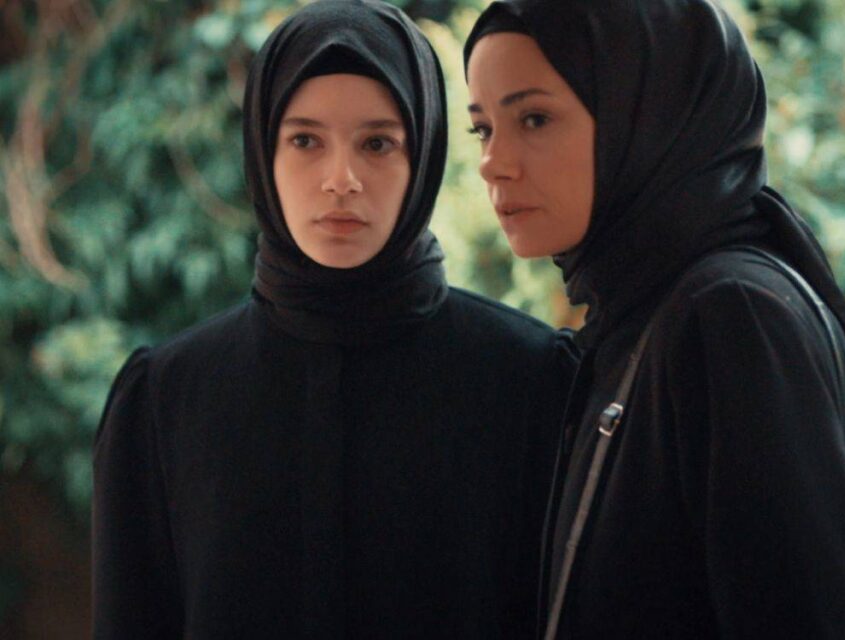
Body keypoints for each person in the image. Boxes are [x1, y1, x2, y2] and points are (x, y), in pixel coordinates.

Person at [92, 1, 577, 637]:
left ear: (423, 153)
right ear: (263, 150)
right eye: (305, 141)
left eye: (377, 143)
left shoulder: (532, 382)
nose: (340, 180)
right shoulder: (166, 399)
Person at [464, 0, 845, 637]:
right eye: (482, 129)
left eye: (534, 118)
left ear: (648, 117)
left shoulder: (729, 313)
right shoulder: (642, 311)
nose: (493, 161)